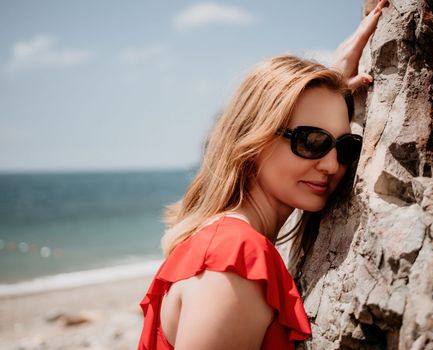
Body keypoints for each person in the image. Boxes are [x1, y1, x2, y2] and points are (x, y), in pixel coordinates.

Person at [138, 1, 388, 349]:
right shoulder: (234, 259)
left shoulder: (220, 245)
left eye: (345, 147)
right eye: (312, 141)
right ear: (254, 141)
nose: (332, 166)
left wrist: (328, 90)